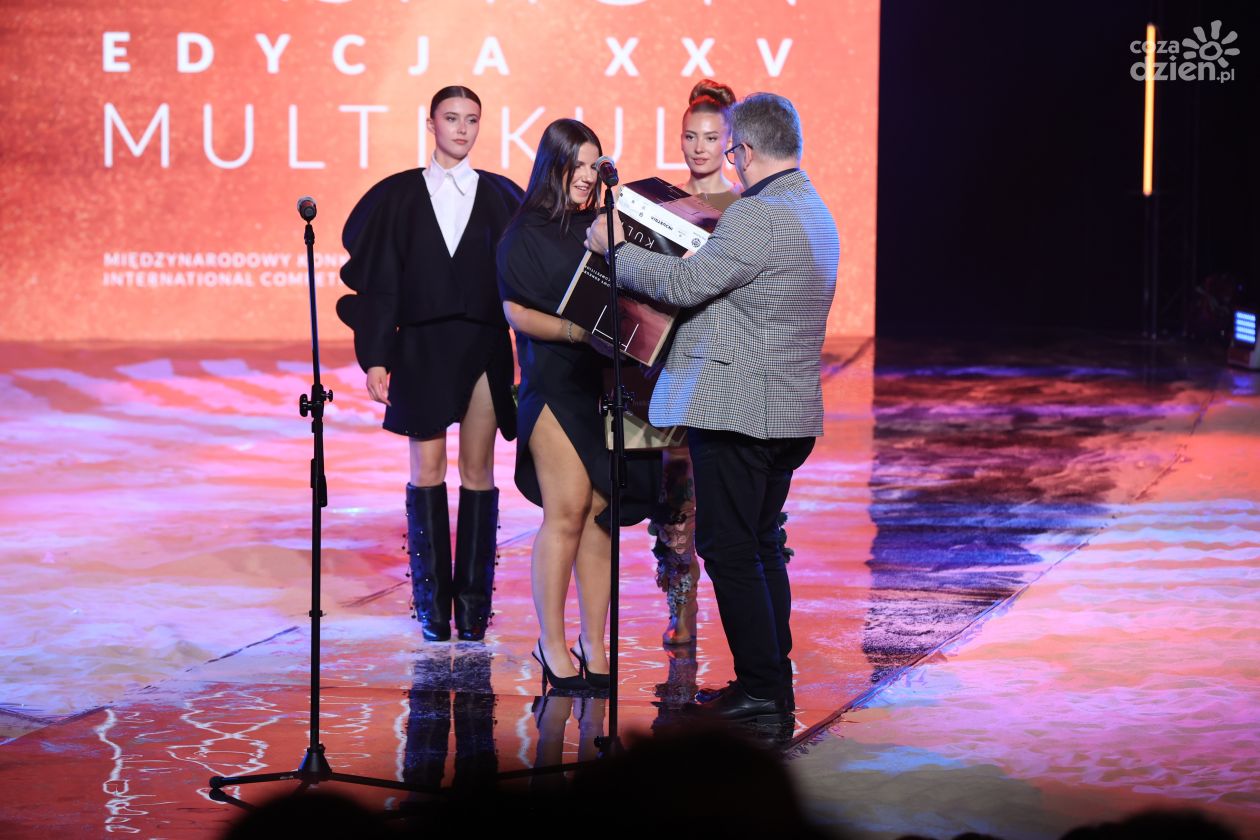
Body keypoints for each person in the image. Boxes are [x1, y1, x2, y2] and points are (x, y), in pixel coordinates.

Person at [587, 93, 839, 719]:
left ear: (744, 151)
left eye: (729, 152)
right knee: (760, 544)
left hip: (738, 410)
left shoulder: (758, 213)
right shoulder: (814, 210)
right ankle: (769, 683)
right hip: (785, 411)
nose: (730, 163)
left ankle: (761, 690)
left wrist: (617, 247)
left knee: (730, 550)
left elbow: (685, 283)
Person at [337, 86, 523, 642]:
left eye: (472, 120)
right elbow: (381, 283)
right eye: (452, 118)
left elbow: (524, 277)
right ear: (431, 123)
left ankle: (473, 609)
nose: (462, 129)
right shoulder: (397, 197)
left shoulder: (502, 196)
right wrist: (375, 357)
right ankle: (431, 608)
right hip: (420, 347)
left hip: (484, 344)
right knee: (427, 471)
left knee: (478, 471)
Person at [497, 119, 660, 692]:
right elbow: (515, 312)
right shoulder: (523, 233)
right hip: (551, 384)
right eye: (579, 164)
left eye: (595, 164)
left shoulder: (597, 229)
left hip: (600, 385)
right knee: (565, 511)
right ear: (554, 164)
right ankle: (551, 642)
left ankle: (595, 643)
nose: (588, 176)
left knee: (600, 513)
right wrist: (576, 332)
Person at [653, 79, 741, 647]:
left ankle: (744, 621)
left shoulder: (747, 208)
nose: (699, 147)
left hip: (730, 367)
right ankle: (681, 610)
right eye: (690, 136)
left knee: (731, 498)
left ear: (730, 141)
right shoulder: (661, 205)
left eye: (711, 137)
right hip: (673, 364)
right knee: (676, 497)